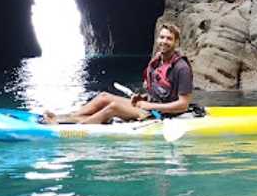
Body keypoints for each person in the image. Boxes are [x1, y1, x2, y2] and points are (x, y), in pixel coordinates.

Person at [42, 23, 194, 124]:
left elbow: (183, 105)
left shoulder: (182, 68)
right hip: (148, 106)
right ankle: (65, 117)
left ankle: (75, 127)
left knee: (113, 107)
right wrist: (142, 98)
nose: (164, 41)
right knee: (103, 97)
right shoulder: (157, 62)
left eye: (169, 38)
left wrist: (148, 104)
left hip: (159, 115)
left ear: (176, 42)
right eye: (162, 37)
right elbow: (160, 93)